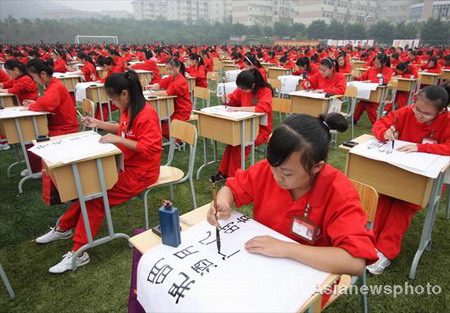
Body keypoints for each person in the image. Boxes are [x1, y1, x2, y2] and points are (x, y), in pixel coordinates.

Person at [207, 113, 378, 295]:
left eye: (287, 173)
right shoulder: (269, 170)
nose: (276, 176)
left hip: (309, 278)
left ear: (316, 167)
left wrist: (286, 249)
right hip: (261, 263)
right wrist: (223, 202)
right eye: (273, 166)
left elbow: (354, 262)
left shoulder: (339, 193)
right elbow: (232, 188)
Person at [35, 71, 163, 273]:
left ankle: (79, 251)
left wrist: (120, 140)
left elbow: (152, 149)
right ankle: (63, 228)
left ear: (124, 93)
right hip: (125, 165)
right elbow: (122, 130)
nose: (111, 102)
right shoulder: (129, 108)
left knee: (97, 196)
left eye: (112, 97)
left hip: (142, 172)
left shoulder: (146, 114)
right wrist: (99, 124)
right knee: (90, 188)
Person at [368, 85, 450, 275]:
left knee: (402, 206)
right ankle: (369, 241)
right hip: (397, 172)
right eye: (417, 109)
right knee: (383, 199)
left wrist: (420, 148)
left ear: (441, 111)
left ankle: (385, 252)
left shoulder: (447, 121)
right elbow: (380, 124)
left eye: (427, 114)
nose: (420, 115)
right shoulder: (405, 113)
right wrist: (384, 133)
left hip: (425, 180)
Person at [210, 69, 273, 182]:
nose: (241, 91)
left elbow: (262, 109)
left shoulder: (265, 91)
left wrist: (237, 108)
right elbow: (233, 99)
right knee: (232, 142)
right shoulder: (242, 89)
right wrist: (227, 99)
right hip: (244, 126)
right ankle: (223, 172)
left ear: (253, 85)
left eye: (243, 89)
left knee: (241, 144)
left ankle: (233, 177)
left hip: (260, 130)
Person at [22, 59, 79, 175]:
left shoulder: (55, 86)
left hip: (64, 128)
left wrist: (32, 106)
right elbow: (44, 101)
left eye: (34, 77)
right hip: (59, 124)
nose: (34, 80)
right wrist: (34, 103)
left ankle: (38, 169)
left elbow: (46, 104)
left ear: (42, 74)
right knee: (30, 135)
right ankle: (37, 168)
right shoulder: (52, 84)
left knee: (31, 139)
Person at [147, 58, 192, 138]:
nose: (168, 72)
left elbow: (166, 93)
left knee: (160, 127)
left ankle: (178, 139)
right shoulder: (172, 77)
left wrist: (152, 93)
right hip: (173, 109)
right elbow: (161, 84)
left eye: (170, 69)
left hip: (182, 111)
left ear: (177, 68)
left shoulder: (180, 81)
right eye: (167, 69)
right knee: (157, 123)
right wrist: (152, 86)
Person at [353, 53, 394, 125]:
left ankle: (376, 124)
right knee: (362, 103)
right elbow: (363, 77)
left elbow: (386, 80)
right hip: (367, 93)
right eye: (375, 62)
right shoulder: (371, 69)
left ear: (384, 63)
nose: (375, 64)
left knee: (368, 105)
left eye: (378, 63)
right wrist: (358, 77)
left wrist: (371, 81)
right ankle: (355, 120)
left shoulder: (388, 70)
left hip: (379, 93)